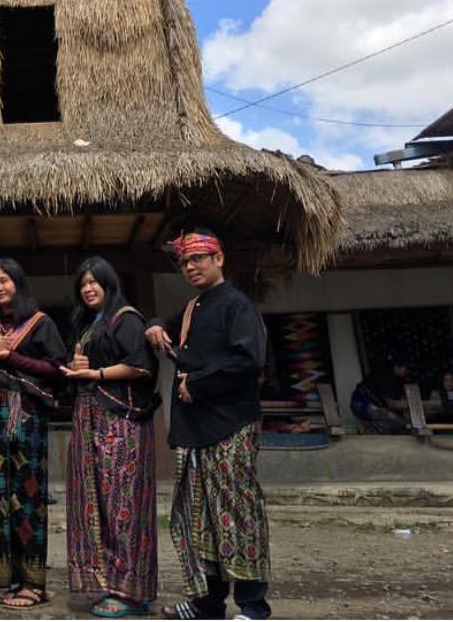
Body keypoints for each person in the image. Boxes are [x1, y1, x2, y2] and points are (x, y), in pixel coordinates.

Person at [145, 230, 272, 622]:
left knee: (237, 512)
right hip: (194, 430)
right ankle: (207, 604)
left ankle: (253, 606)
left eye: (199, 258)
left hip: (230, 425)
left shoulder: (237, 305)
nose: (190, 266)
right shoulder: (191, 308)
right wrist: (154, 325)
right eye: (185, 261)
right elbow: (162, 326)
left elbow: (248, 360)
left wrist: (197, 385)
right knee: (198, 519)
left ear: (219, 259)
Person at [63, 256, 160, 619]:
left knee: (124, 504)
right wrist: (79, 369)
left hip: (121, 423)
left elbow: (141, 366)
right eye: (83, 284)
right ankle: (108, 583)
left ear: (109, 283)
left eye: (94, 282)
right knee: (98, 504)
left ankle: (131, 593)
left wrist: (97, 374)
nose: (88, 289)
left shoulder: (127, 319)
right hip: (91, 419)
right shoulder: (89, 324)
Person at [0, 258, 66, 610]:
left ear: (18, 283)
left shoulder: (41, 323)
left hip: (27, 417)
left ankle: (33, 583)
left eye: (5, 280)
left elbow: (56, 367)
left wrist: (10, 357)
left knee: (28, 496)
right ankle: (6, 579)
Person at [350, 355, 410, 434]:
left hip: (376, 408)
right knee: (394, 422)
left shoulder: (398, 381)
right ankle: (368, 431)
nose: (407, 371)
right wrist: (404, 406)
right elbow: (390, 404)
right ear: (396, 367)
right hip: (362, 404)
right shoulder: (383, 376)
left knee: (400, 424)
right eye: (405, 368)